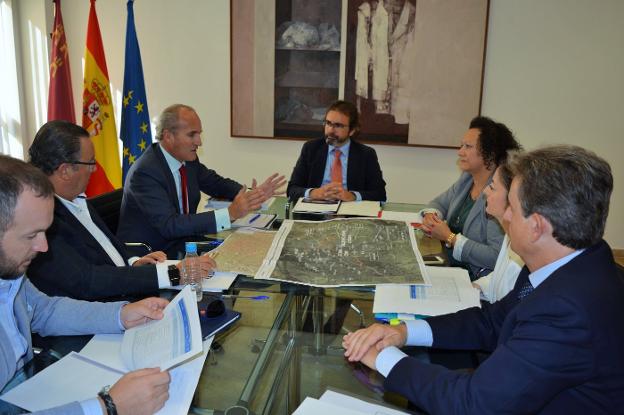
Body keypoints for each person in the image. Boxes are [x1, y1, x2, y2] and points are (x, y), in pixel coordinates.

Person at [343, 145, 624, 414]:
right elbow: (492, 321)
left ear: (537, 226)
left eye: (511, 207)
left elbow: (472, 404)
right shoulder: (573, 263)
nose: (502, 215)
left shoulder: (567, 311)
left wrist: (383, 358)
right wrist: (403, 331)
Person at [0, 155, 171, 415]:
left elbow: (44, 310)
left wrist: (121, 314)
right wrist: (107, 407)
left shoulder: (9, 269)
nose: (43, 247)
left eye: (44, 232)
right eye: (31, 235)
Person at [26, 121, 215, 301]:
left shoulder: (75, 199)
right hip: (102, 313)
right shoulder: (42, 220)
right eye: (90, 163)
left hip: (127, 289)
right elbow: (88, 280)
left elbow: (107, 246)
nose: (94, 170)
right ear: (65, 170)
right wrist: (172, 274)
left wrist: (133, 261)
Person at [117, 104, 286, 257]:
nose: (199, 142)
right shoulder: (146, 172)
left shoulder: (188, 160)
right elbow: (170, 225)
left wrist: (251, 195)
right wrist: (230, 214)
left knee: (255, 251)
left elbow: (216, 184)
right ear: (168, 136)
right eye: (192, 135)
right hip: (152, 254)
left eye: (199, 134)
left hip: (184, 244)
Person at [421, 116, 521, 279]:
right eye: (461, 145)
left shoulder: (501, 194)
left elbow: (496, 256)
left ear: (489, 153)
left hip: (477, 280)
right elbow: (439, 203)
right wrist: (431, 216)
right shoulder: (467, 179)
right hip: (449, 266)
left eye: (468, 146)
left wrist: (450, 238)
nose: (460, 152)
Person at [286, 100, 387, 202]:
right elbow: (292, 190)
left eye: (338, 125)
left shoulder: (366, 154)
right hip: (314, 210)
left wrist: (353, 196)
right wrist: (313, 193)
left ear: (352, 130)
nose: (330, 130)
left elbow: (380, 194)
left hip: (350, 212)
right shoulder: (311, 149)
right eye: (328, 123)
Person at [473, 161, 524, 302]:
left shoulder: (523, 246)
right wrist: (477, 286)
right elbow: (499, 278)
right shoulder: (509, 234)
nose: (485, 191)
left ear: (511, 196)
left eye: (492, 187)